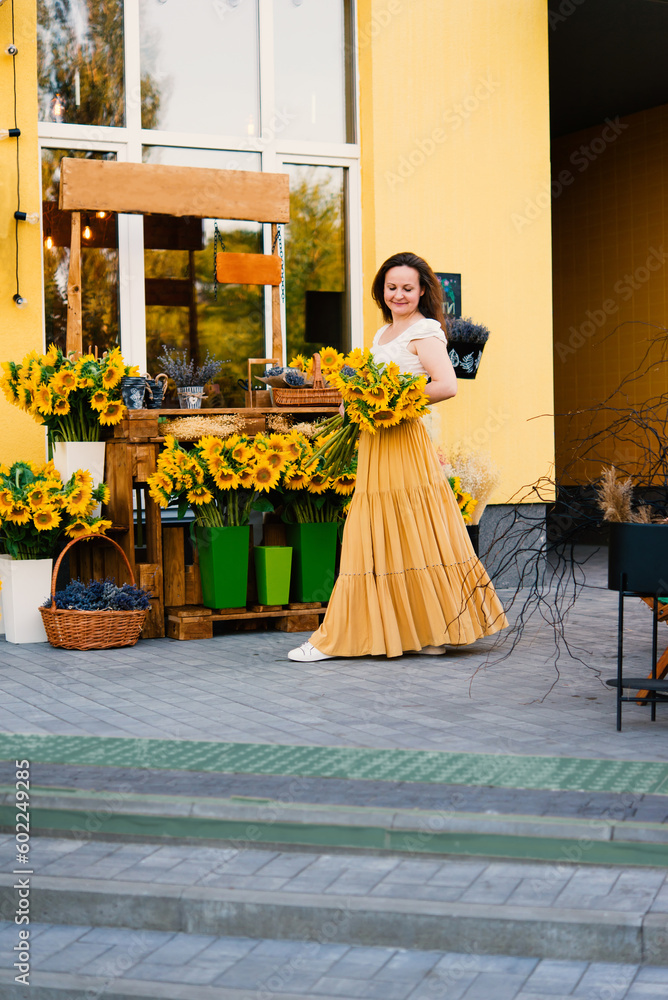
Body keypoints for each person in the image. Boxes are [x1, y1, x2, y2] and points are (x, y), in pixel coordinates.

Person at [288, 251, 508, 662]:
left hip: (403, 438)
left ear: (422, 290)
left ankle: (359, 636)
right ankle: (427, 634)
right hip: (376, 439)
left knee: (411, 526)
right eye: (392, 287)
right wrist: (353, 402)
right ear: (382, 291)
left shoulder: (425, 330)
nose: (399, 294)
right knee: (391, 531)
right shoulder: (381, 335)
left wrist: (389, 398)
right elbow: (370, 384)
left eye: (408, 288)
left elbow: (446, 385)